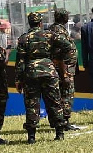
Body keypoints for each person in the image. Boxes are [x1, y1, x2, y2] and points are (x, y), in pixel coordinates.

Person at [15, 12, 73, 143]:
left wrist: (18, 79)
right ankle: (59, 133)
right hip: (49, 72)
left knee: (32, 104)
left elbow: (20, 61)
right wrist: (58, 59)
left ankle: (31, 137)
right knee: (54, 102)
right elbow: (68, 46)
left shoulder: (24, 38)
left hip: (31, 74)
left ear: (29, 23)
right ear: (41, 23)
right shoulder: (49, 35)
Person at [49, 9, 78, 130]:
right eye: (66, 16)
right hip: (63, 68)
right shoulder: (58, 31)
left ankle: (59, 120)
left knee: (61, 94)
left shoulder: (57, 29)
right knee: (66, 94)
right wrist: (64, 72)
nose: (68, 18)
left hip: (65, 67)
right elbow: (60, 52)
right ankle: (64, 121)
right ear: (62, 18)